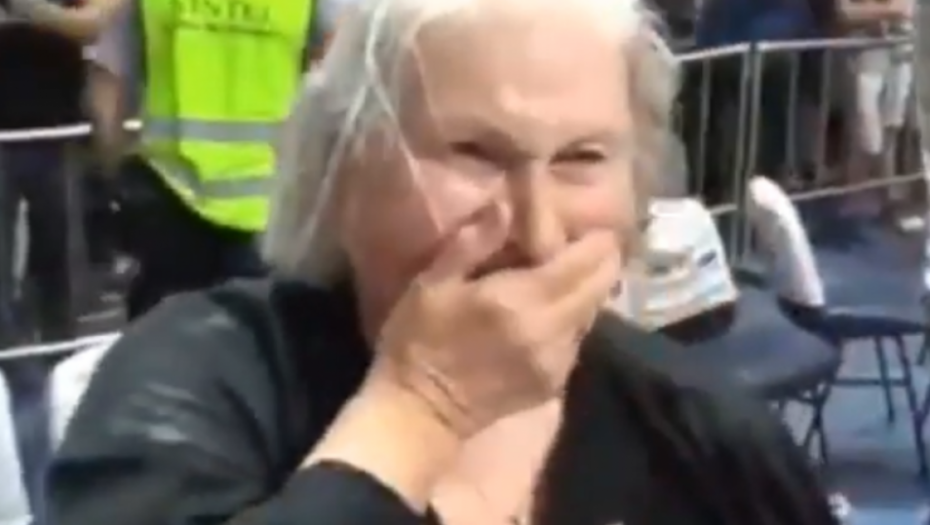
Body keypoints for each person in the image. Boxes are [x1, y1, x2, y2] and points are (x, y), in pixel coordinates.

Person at [49, 1, 840, 524]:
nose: (538, 234)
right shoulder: (198, 378)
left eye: (582, 158)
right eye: (473, 154)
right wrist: (419, 409)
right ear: (345, 171)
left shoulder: (704, 429)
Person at [84, 0, 350, 319]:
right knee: (264, 335)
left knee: (166, 335)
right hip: (271, 203)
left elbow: (107, 80)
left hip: (172, 193)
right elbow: (340, 76)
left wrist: (112, 168)